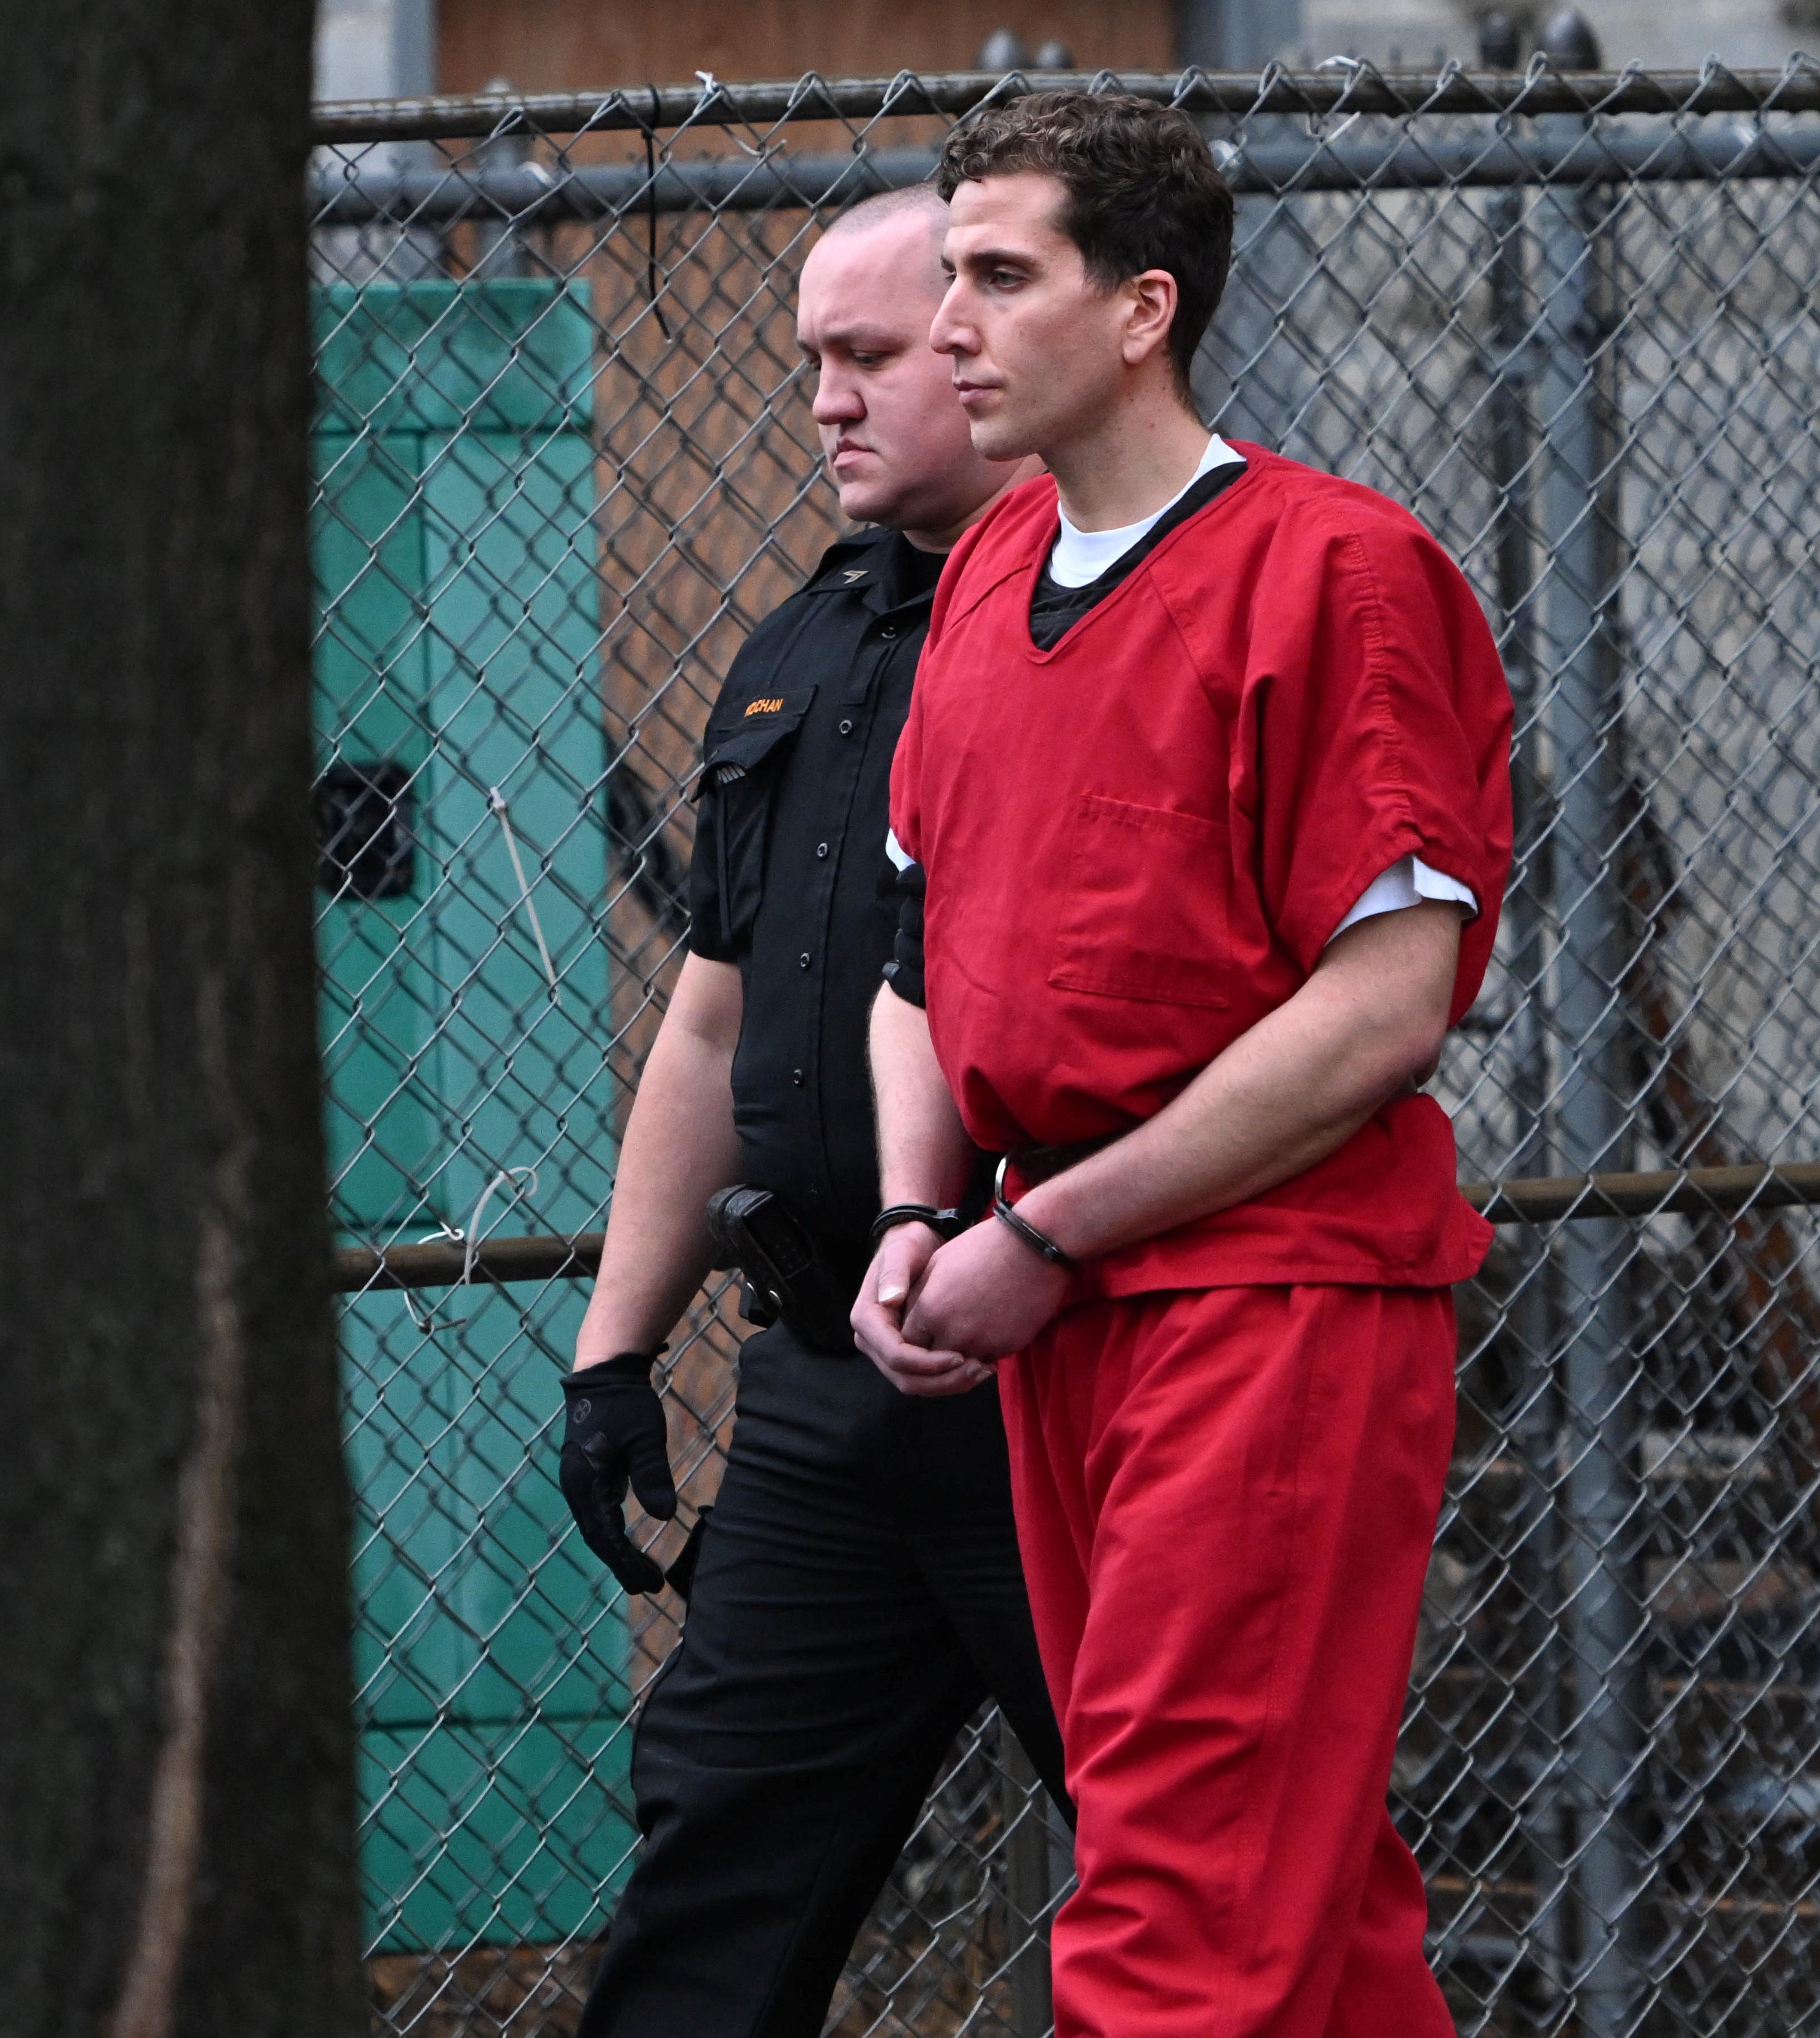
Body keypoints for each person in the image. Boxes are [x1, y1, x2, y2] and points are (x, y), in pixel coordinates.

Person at [852, 93, 1514, 2038]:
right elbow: (919, 953)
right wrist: (921, 1210)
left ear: (1141, 309)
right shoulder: (985, 570)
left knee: (1173, 1908)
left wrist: (1044, 1227)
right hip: (1055, 1292)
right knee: (1294, 1909)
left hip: (1267, 1290)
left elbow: (1384, 1004)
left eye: (997, 274)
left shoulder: (1337, 570)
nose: (947, 320)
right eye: (944, 271)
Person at [552, 183, 1069, 2038]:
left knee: (1194, 1861)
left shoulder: (1096, 629)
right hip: (827, 1385)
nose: (826, 403)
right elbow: (709, 1025)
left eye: (864, 360)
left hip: (1060, 1367)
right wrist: (616, 1351)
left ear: (982, 351)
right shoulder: (803, 646)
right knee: (716, 1858)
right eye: (808, 367)